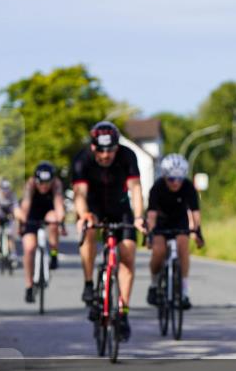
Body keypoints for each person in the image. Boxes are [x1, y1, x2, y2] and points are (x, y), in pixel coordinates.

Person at [72, 121, 144, 340]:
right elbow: (79, 193)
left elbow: (136, 188)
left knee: (128, 253)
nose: (106, 156)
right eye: (101, 151)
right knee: (89, 230)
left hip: (120, 208)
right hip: (93, 207)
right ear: (93, 147)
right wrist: (84, 215)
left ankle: (123, 313)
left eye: (110, 150)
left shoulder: (127, 156)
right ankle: (89, 283)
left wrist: (139, 217)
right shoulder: (82, 159)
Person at [146, 154, 203, 309]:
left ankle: (184, 291)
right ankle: (154, 284)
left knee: (183, 246)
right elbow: (151, 214)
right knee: (159, 251)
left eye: (179, 179)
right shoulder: (157, 187)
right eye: (171, 179)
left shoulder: (188, 187)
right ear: (165, 176)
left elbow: (195, 211)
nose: (175, 183)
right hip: (161, 222)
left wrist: (198, 232)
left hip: (179, 221)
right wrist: (150, 235)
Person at [17, 162, 66, 304]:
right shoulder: (30, 184)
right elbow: (25, 205)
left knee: (53, 220)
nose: (44, 186)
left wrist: (60, 220)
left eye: (47, 183)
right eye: (41, 183)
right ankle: (29, 286)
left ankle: (54, 253)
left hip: (49, 210)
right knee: (29, 247)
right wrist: (22, 223)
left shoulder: (56, 184)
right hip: (33, 212)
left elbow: (59, 206)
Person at [0, 179, 19, 260]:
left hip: (9, 215)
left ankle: (13, 253)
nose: (5, 191)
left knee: (10, 234)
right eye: (3, 188)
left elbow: (16, 209)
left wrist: (17, 223)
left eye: (7, 188)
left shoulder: (12, 196)